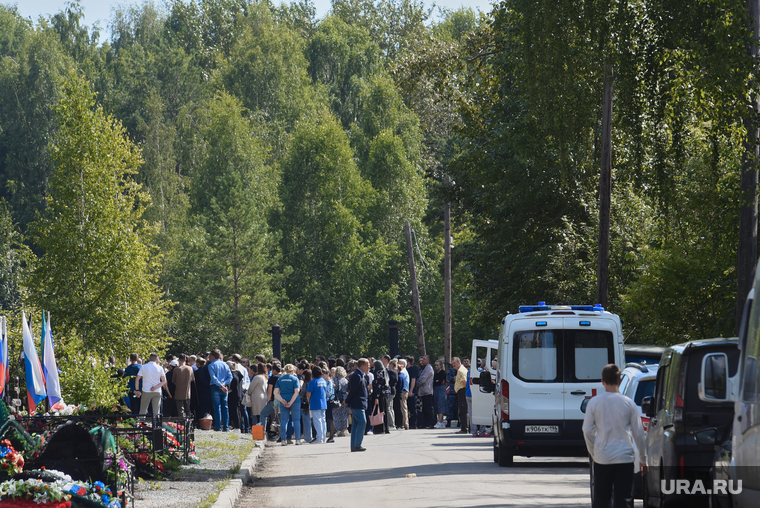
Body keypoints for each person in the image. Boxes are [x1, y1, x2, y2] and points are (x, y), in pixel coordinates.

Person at [583, 364, 648, 508]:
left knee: (602, 499)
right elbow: (638, 433)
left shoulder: (594, 402)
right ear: (619, 381)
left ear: (602, 381)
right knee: (624, 499)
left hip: (602, 457)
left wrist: (594, 453)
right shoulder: (628, 403)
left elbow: (587, 430)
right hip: (624, 457)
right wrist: (643, 459)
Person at [345, 358, 369, 452]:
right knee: (362, 421)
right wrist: (347, 400)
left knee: (356, 424)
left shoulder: (361, 375)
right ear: (362, 366)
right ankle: (357, 444)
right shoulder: (357, 375)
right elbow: (353, 390)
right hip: (357, 403)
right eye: (367, 365)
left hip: (359, 403)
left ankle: (354, 445)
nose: (369, 367)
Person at [274, 364, 302, 445]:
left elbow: (275, 393)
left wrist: (282, 401)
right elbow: (297, 391)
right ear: (293, 370)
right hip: (295, 401)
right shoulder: (295, 379)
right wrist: (291, 402)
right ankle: (297, 440)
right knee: (296, 420)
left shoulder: (280, 379)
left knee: (284, 420)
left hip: (283, 400)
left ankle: (283, 440)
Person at [208, 350, 233, 432]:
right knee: (225, 407)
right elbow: (230, 377)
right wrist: (224, 384)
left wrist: (219, 385)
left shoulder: (211, 365)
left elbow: (213, 378)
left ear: (212, 356)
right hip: (224, 387)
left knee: (217, 407)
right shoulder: (225, 364)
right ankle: (226, 426)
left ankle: (218, 426)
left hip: (215, 387)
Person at [258, 363, 281, 439]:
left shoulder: (273, 378)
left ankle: (262, 432)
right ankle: (283, 436)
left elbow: (269, 391)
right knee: (281, 418)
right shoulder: (282, 377)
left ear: (274, 370)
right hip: (282, 400)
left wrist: (268, 399)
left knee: (263, 413)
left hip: (274, 400)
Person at [307, 365, 328, 443]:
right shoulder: (323, 381)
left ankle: (319, 438)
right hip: (323, 402)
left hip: (315, 403)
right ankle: (323, 437)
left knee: (317, 421)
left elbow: (309, 393)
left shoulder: (312, 382)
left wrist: (308, 401)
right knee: (323, 420)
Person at [172, 354, 195, 418]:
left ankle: (182, 424)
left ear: (178, 360)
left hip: (178, 392)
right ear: (185, 360)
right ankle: (188, 424)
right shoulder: (190, 368)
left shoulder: (176, 369)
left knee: (180, 410)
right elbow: (192, 379)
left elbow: (174, 381)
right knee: (187, 409)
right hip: (187, 392)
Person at [370, 360, 390, 434]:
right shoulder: (385, 372)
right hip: (385, 394)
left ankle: (380, 428)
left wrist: (376, 397)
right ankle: (386, 428)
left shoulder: (378, 373)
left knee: (379, 411)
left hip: (379, 395)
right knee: (384, 411)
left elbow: (378, 386)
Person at [417, 355, 435, 429]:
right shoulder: (425, 368)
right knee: (424, 408)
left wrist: (417, 384)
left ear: (428, 360)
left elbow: (423, 379)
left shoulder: (428, 368)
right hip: (423, 391)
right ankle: (425, 423)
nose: (422, 360)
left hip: (427, 391)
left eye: (424, 359)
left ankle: (431, 423)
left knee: (428, 408)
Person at [453, 357, 469, 434]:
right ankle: (464, 427)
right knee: (462, 411)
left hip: (462, 392)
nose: (453, 365)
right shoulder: (461, 370)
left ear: (459, 363)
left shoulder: (461, 371)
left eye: (454, 364)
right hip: (461, 392)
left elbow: (465, 382)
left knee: (463, 411)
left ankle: (464, 429)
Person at [332, 367, 350, 437]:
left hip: (336, 399)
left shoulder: (333, 380)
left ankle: (337, 429)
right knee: (344, 415)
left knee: (336, 415)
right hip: (344, 399)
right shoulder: (345, 381)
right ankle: (344, 430)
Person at [227, 360, 243, 430]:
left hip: (233, 394)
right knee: (237, 411)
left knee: (234, 411)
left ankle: (236, 426)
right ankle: (238, 426)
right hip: (239, 394)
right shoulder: (239, 374)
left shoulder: (233, 375)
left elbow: (232, 385)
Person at [300, 369, 313, 442]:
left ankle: (307, 437)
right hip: (313, 403)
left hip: (305, 402)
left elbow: (302, 393)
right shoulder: (312, 382)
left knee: (306, 420)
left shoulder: (306, 383)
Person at [406, 356, 420, 429]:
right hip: (406, 391)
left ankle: (414, 423)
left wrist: (411, 391)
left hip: (411, 391)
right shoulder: (405, 369)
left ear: (408, 362)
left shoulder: (412, 369)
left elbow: (413, 380)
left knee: (412, 407)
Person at [433, 360, 448, 428]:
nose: (436, 366)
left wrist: (437, 381)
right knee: (437, 403)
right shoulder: (436, 373)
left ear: (441, 365)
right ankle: (440, 421)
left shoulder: (443, 373)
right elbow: (434, 381)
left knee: (441, 403)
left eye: (437, 365)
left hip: (441, 389)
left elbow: (439, 382)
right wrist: (436, 381)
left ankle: (440, 421)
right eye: (435, 365)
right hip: (436, 389)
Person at [398, 359, 410, 430]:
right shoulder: (405, 371)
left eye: (399, 363)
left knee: (403, 407)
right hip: (405, 390)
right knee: (403, 407)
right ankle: (404, 423)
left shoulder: (403, 372)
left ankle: (405, 423)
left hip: (403, 391)